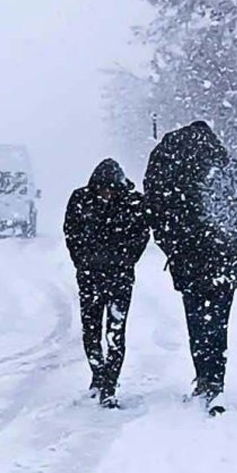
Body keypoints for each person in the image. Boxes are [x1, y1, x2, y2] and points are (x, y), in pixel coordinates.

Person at [145, 121, 237, 415]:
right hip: (226, 264)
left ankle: (204, 378)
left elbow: (160, 215)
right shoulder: (224, 168)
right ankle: (215, 380)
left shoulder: (176, 172)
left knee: (197, 324)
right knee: (218, 323)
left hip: (192, 265)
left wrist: (174, 248)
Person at [64, 158, 149, 408]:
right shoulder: (81, 200)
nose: (106, 195)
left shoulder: (133, 203)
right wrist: (82, 262)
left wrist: (125, 261)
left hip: (119, 279)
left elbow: (142, 235)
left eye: (111, 189)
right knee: (91, 332)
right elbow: (71, 233)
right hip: (90, 277)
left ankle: (109, 385)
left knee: (115, 333)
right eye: (102, 189)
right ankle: (98, 375)